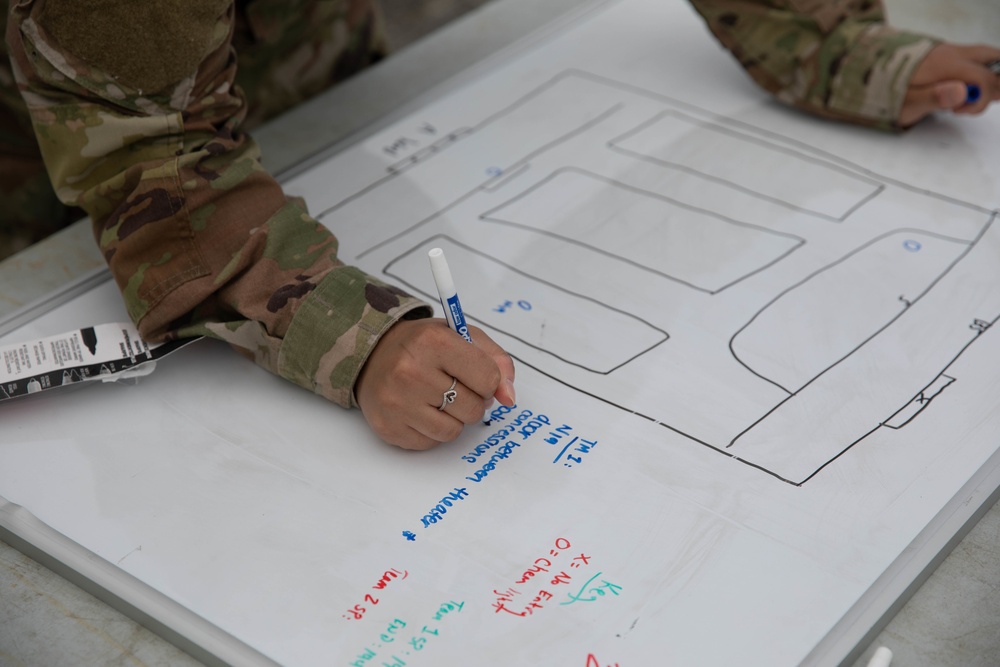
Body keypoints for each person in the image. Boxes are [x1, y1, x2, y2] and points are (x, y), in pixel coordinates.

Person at [2, 1, 998, 450]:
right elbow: (149, 155)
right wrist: (355, 334)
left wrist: (832, 46)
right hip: (73, 153)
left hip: (319, 75)